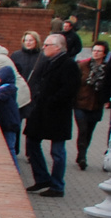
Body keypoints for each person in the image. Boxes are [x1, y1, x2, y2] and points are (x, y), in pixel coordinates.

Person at [24, 33, 81, 197]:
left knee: (57, 151)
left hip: (57, 113)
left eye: (47, 45)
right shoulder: (47, 62)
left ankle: (57, 186)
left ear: (58, 47)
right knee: (32, 142)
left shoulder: (68, 65)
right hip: (41, 110)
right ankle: (42, 178)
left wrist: (51, 100)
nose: (44, 47)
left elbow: (70, 89)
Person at [73, 41, 108, 170]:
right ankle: (82, 157)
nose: (96, 53)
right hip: (81, 103)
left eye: (99, 51)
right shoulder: (83, 66)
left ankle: (82, 153)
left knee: (89, 132)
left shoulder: (106, 69)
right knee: (82, 130)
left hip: (96, 105)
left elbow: (108, 86)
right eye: (94, 50)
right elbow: (75, 83)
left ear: (104, 54)